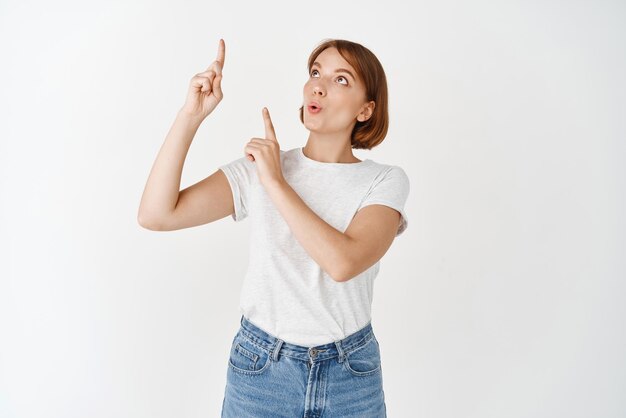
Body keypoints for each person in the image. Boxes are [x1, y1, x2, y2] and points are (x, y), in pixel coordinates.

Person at [138, 37, 409, 418]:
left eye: (341, 79)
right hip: (261, 370)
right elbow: (156, 214)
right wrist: (191, 115)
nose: (318, 85)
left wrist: (277, 184)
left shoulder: (385, 181)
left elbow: (343, 262)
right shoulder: (260, 168)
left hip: (350, 374)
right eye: (315, 73)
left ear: (366, 110)